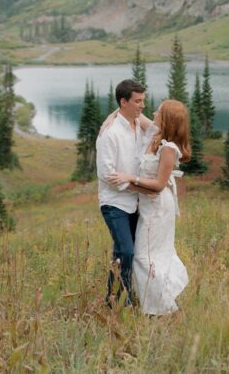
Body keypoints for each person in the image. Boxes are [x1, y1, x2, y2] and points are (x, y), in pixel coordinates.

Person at [107, 99, 189, 316]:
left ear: (167, 118)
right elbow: (131, 113)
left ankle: (157, 307)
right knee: (149, 256)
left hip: (158, 208)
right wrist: (109, 120)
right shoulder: (155, 134)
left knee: (145, 256)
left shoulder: (169, 148)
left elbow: (159, 185)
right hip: (148, 204)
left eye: (159, 111)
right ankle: (154, 304)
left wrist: (129, 178)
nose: (152, 112)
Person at [96, 78, 148, 307]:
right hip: (115, 202)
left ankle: (113, 297)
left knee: (125, 252)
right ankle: (126, 300)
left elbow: (161, 130)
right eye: (137, 101)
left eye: (143, 101)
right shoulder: (109, 133)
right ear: (123, 102)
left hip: (137, 202)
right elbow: (107, 175)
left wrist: (139, 188)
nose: (142, 105)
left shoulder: (140, 125)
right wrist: (141, 186)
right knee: (126, 251)